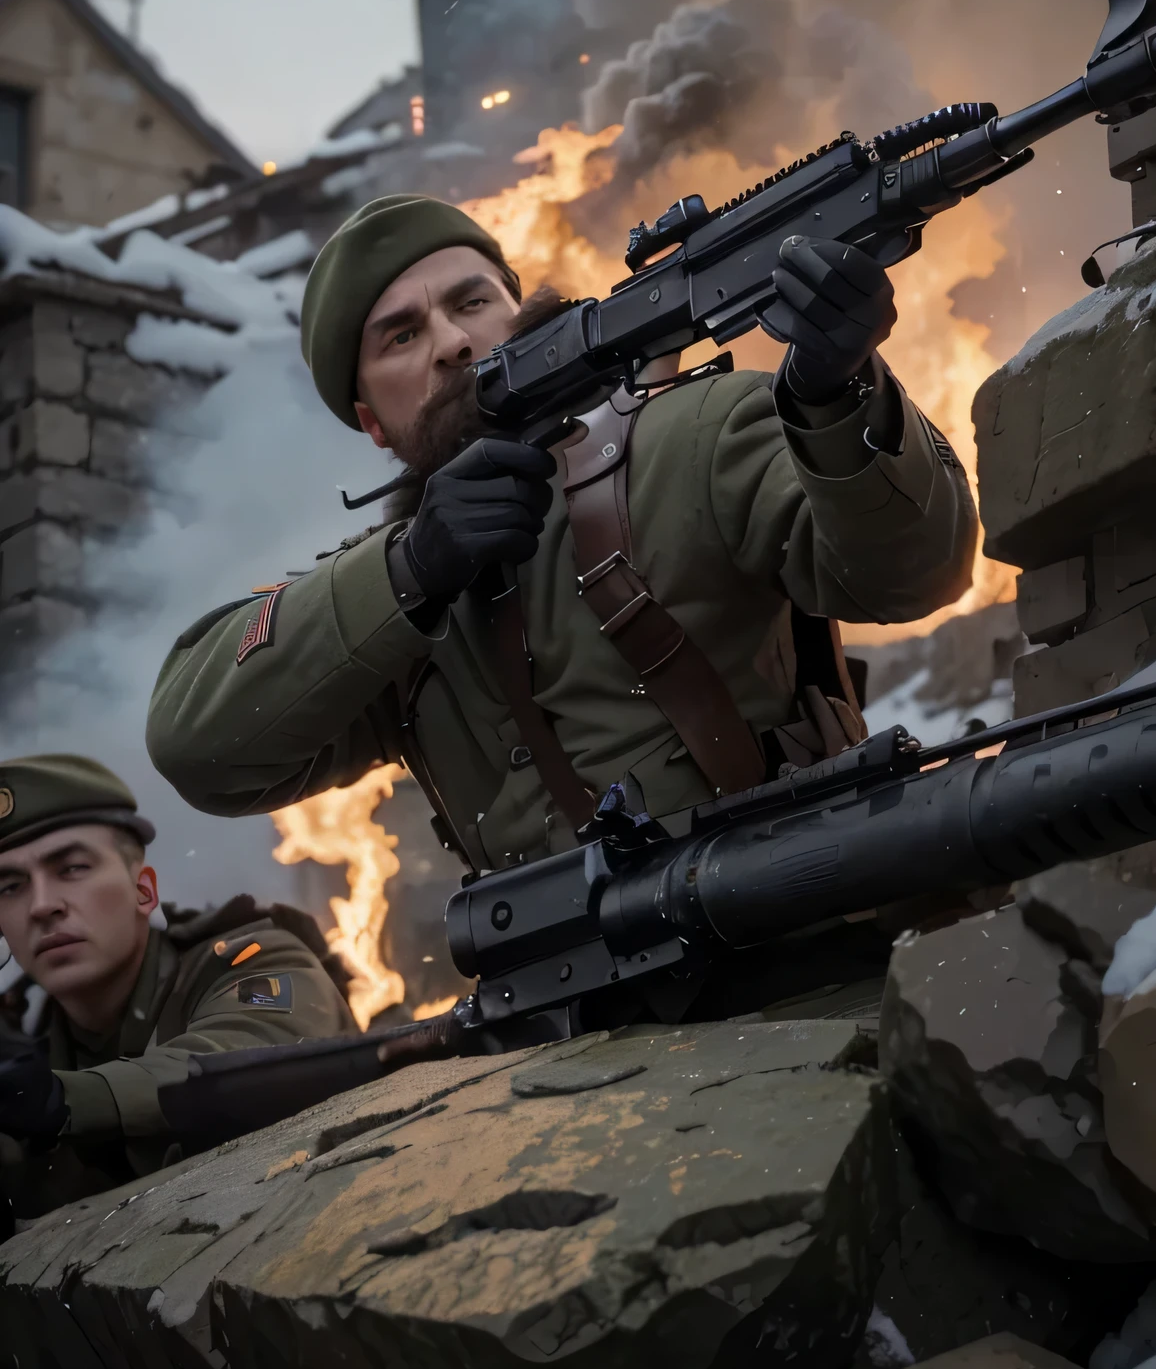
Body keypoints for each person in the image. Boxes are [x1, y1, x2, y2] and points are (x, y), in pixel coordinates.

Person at [146, 195, 978, 881]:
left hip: (797, 951)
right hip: (570, 1036)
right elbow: (198, 749)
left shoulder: (694, 431)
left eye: (472, 302)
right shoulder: (391, 608)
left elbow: (918, 574)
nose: (452, 344)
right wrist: (413, 568)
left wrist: (835, 394)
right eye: (400, 335)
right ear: (369, 420)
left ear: (518, 316)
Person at [0, 755, 356, 1221]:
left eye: (72, 868)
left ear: (143, 892)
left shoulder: (248, 959)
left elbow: (243, 1055)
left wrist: (58, 1101)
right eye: (10, 886)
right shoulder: (28, 1045)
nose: (42, 906)